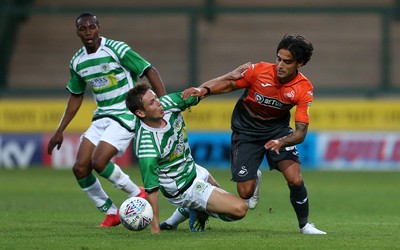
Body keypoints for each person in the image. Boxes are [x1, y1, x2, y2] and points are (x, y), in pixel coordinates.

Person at [182, 34, 326, 234]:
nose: (280, 65)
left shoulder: (304, 88)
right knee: (245, 194)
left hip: (278, 132)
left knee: (294, 179)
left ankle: (305, 226)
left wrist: (281, 141)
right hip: (246, 132)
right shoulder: (258, 71)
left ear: (300, 63)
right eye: (278, 58)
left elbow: (301, 133)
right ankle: (252, 179)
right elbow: (231, 83)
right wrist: (204, 90)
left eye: (287, 61)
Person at [47, 12, 166, 227]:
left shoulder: (117, 49)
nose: (88, 32)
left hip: (125, 114)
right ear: (77, 32)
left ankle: (136, 192)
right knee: (80, 168)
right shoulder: (77, 61)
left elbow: (149, 70)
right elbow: (76, 96)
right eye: (83, 29)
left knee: (99, 162)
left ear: (98, 27)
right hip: (101, 116)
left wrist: (164, 103)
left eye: (92, 27)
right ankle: (110, 212)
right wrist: (60, 130)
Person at [125, 81, 248, 234]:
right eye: (152, 102)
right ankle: (195, 207)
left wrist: (232, 75)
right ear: (141, 113)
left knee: (226, 204)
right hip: (183, 188)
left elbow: (201, 92)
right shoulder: (147, 146)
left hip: (193, 169)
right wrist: (154, 229)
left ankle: (175, 220)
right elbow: (151, 190)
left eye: (156, 98)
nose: (159, 103)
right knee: (239, 209)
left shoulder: (167, 103)